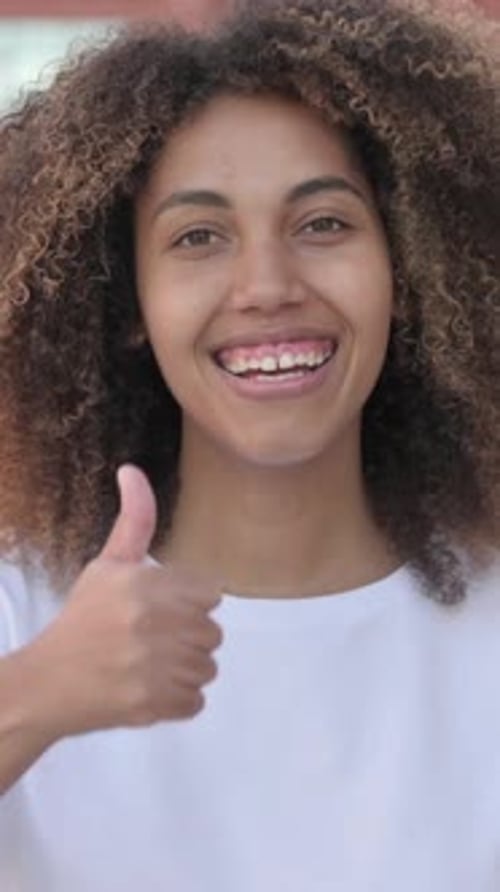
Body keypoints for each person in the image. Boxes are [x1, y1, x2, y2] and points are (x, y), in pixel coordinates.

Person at [0, 0, 498, 888]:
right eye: (199, 237)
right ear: (126, 308)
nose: (267, 285)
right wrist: (37, 697)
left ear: (410, 273)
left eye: (323, 224)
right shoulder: (21, 616)